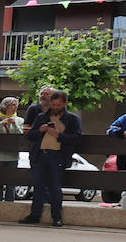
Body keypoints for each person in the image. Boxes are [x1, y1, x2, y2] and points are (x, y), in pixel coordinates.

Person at [21, 89, 81, 227]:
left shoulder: (72, 119)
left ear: (65, 103)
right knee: (38, 186)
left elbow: (78, 137)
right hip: (40, 154)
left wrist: (59, 135)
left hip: (57, 156)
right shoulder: (42, 117)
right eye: (53, 105)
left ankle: (57, 217)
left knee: (55, 187)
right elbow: (30, 136)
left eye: (58, 105)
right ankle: (35, 215)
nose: (55, 108)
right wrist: (40, 130)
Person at [0, 97, 24, 203]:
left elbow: (20, 135)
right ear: (6, 106)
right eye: (13, 105)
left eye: (16, 105)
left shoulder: (19, 120)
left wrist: (14, 124)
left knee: (11, 182)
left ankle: (9, 204)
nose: (16, 107)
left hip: (12, 155)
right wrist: (2, 124)